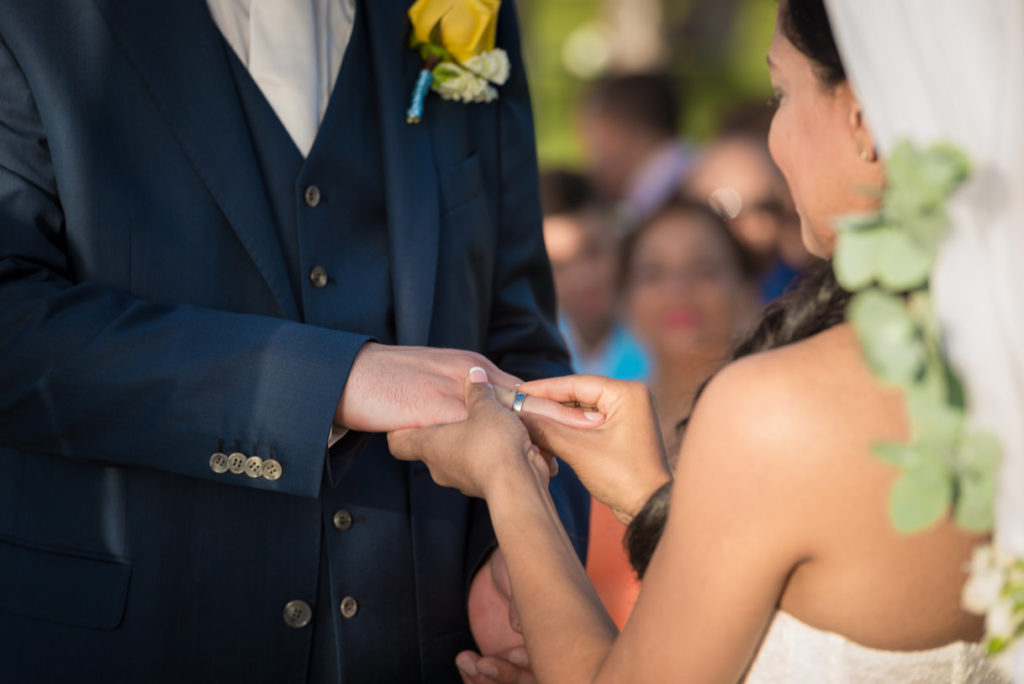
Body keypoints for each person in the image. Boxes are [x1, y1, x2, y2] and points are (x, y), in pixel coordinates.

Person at [387, 0, 1008, 681]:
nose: (773, 137)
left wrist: (506, 475)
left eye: (781, 92)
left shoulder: (775, 408)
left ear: (861, 117)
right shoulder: (993, 363)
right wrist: (653, 496)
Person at [0, 0, 589, 682]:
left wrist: (520, 556)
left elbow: (518, 331)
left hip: (435, 651)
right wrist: (331, 382)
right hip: (132, 644)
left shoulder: (469, 9)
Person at [622, 197, 757, 453]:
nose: (678, 290)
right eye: (653, 273)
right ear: (623, 299)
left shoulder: (778, 417)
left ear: (744, 290)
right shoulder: (604, 429)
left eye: (703, 269)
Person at [683, 115, 812, 303]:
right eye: (726, 208)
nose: (755, 226)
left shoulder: (806, 290)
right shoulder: (666, 303)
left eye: (768, 207)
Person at [539, 169, 650, 381]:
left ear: (618, 240)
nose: (582, 278)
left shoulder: (662, 332)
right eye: (558, 266)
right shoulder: (534, 349)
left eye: (593, 251)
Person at [577, 73, 691, 232]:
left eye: (594, 137)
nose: (590, 159)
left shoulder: (679, 199)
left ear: (617, 130)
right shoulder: (699, 173)